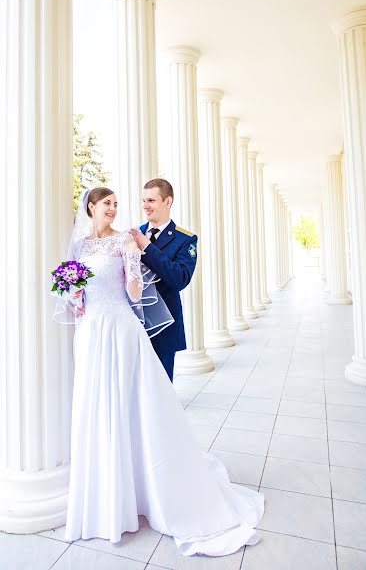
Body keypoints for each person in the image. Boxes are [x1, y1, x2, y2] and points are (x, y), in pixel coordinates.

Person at [60, 186, 264, 555]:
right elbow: (78, 294)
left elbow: (157, 286)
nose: (127, 208)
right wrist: (72, 292)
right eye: (111, 203)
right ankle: (107, 491)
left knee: (146, 408)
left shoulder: (148, 239)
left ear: (167, 201)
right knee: (98, 406)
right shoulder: (82, 246)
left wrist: (136, 261)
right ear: (91, 207)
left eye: (147, 200)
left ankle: (149, 485)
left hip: (129, 330)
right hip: (91, 333)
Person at [130, 178, 196, 382]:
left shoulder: (185, 239)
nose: (145, 206)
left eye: (151, 200)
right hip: (133, 322)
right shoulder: (133, 234)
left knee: (161, 385)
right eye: (143, 200)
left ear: (168, 201)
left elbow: (180, 279)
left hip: (165, 326)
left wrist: (147, 248)